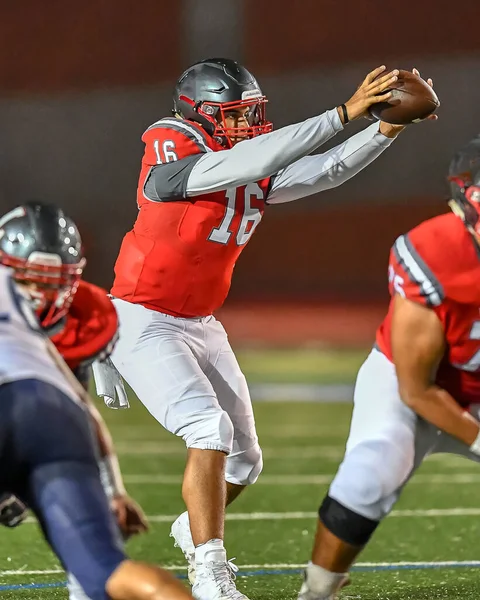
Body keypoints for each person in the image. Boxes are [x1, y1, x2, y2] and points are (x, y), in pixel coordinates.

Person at [98, 57, 435, 600]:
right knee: (207, 429)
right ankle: (208, 568)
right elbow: (233, 166)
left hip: (201, 321)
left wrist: (385, 128)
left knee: (246, 462)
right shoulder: (170, 141)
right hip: (142, 316)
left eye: (251, 113)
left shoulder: (246, 156)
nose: (248, 123)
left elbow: (322, 171)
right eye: (235, 114)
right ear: (200, 113)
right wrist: (344, 112)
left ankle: (194, 524)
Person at [297, 135, 480, 600]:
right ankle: (318, 590)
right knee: (371, 471)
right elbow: (416, 389)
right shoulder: (437, 252)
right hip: (414, 388)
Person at [0, 203, 191, 600]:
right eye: (30, 280)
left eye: (52, 281)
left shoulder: (61, 315)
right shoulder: (53, 325)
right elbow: (77, 404)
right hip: (59, 423)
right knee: (108, 573)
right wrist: (113, 491)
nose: (40, 293)